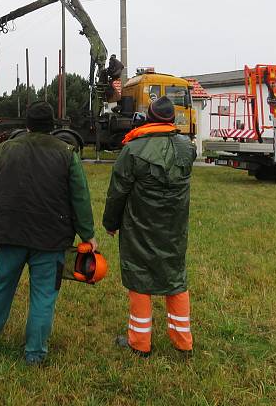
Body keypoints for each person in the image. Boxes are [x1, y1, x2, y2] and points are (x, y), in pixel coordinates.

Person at [0, 101, 96, 365]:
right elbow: (79, 197)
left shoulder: (4, 150)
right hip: (51, 239)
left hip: (8, 232)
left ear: (26, 124)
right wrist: (88, 235)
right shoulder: (67, 153)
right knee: (44, 295)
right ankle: (35, 353)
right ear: (53, 126)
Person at [103, 96, 196, 358]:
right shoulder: (186, 147)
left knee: (140, 277)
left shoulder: (133, 150)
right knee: (175, 277)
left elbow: (117, 191)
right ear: (172, 119)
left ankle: (140, 343)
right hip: (175, 226)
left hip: (139, 224)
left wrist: (111, 223)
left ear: (150, 118)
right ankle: (182, 342)